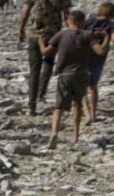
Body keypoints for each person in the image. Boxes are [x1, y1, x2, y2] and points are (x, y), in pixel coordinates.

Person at [43, 9, 105, 148]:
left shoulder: (61, 34)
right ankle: (75, 135)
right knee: (77, 104)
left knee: (59, 107)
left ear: (68, 21)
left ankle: (54, 133)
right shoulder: (88, 35)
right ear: (83, 23)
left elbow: (46, 52)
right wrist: (105, 38)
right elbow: (100, 51)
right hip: (82, 73)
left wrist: (41, 42)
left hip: (65, 74)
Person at [17, 0, 71, 115]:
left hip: (35, 33)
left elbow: (26, 12)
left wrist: (21, 30)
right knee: (48, 63)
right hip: (54, 34)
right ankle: (41, 93)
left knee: (34, 69)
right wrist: (71, 33)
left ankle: (32, 105)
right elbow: (67, 13)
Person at [84, 1, 114, 122]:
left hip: (83, 58)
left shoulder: (88, 22)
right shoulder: (113, 25)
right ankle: (92, 113)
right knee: (93, 86)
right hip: (98, 60)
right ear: (113, 14)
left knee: (81, 87)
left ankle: (85, 112)